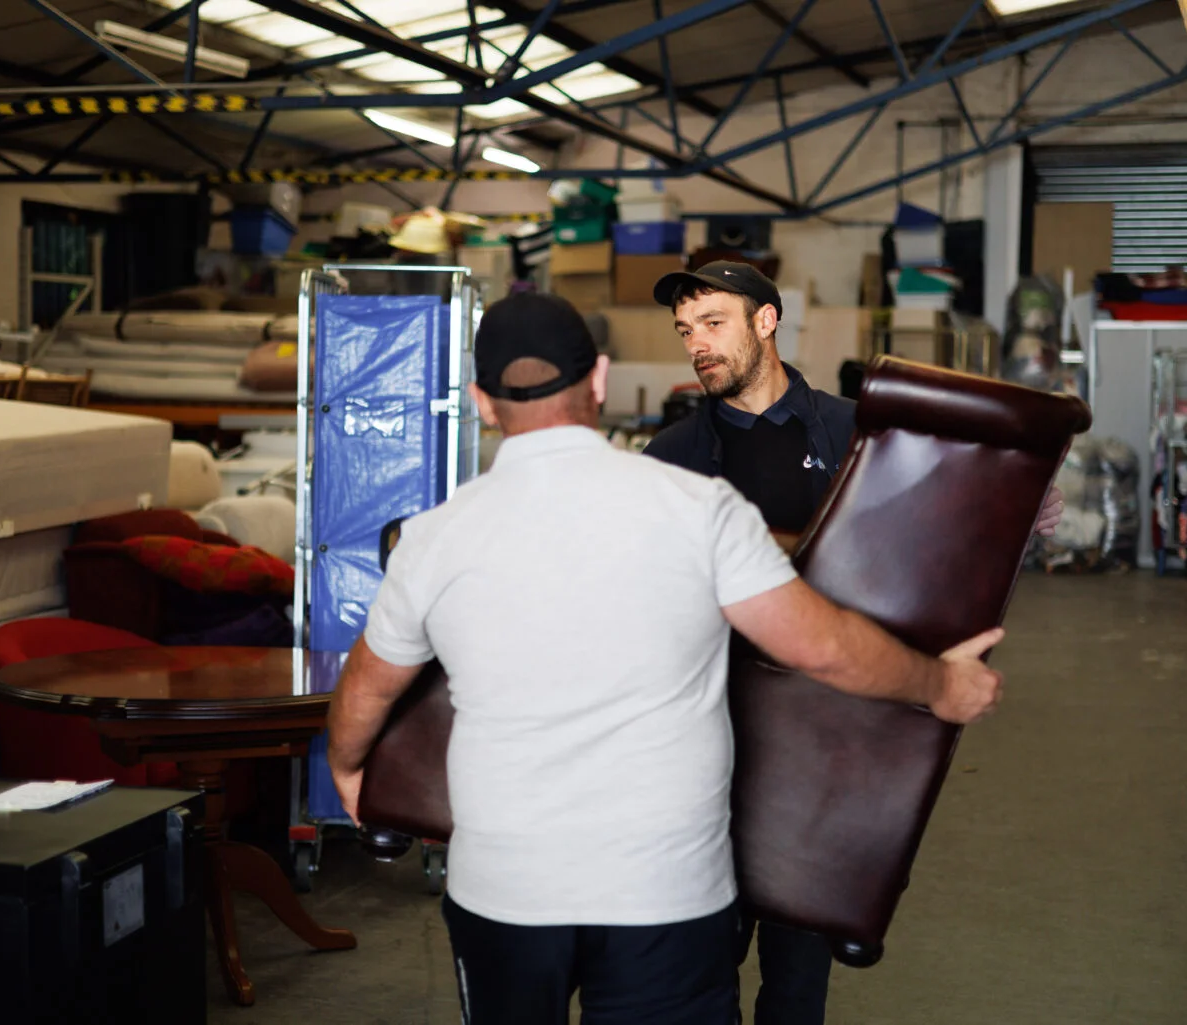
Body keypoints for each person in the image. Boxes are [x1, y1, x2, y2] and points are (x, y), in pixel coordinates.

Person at [328, 291, 1008, 1025]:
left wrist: (348, 767)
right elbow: (825, 647)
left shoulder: (433, 540)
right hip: (666, 895)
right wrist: (940, 682)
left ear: (482, 403)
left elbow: (365, 689)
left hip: (505, 892)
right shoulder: (698, 509)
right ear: (600, 381)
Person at [644, 261, 1065, 1025]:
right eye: (684, 331)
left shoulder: (855, 433)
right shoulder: (669, 456)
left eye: (713, 324)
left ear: (765, 321)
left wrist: (1015, 505)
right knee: (697, 973)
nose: (696, 345)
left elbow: (930, 538)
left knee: (798, 980)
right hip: (706, 738)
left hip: (827, 743)